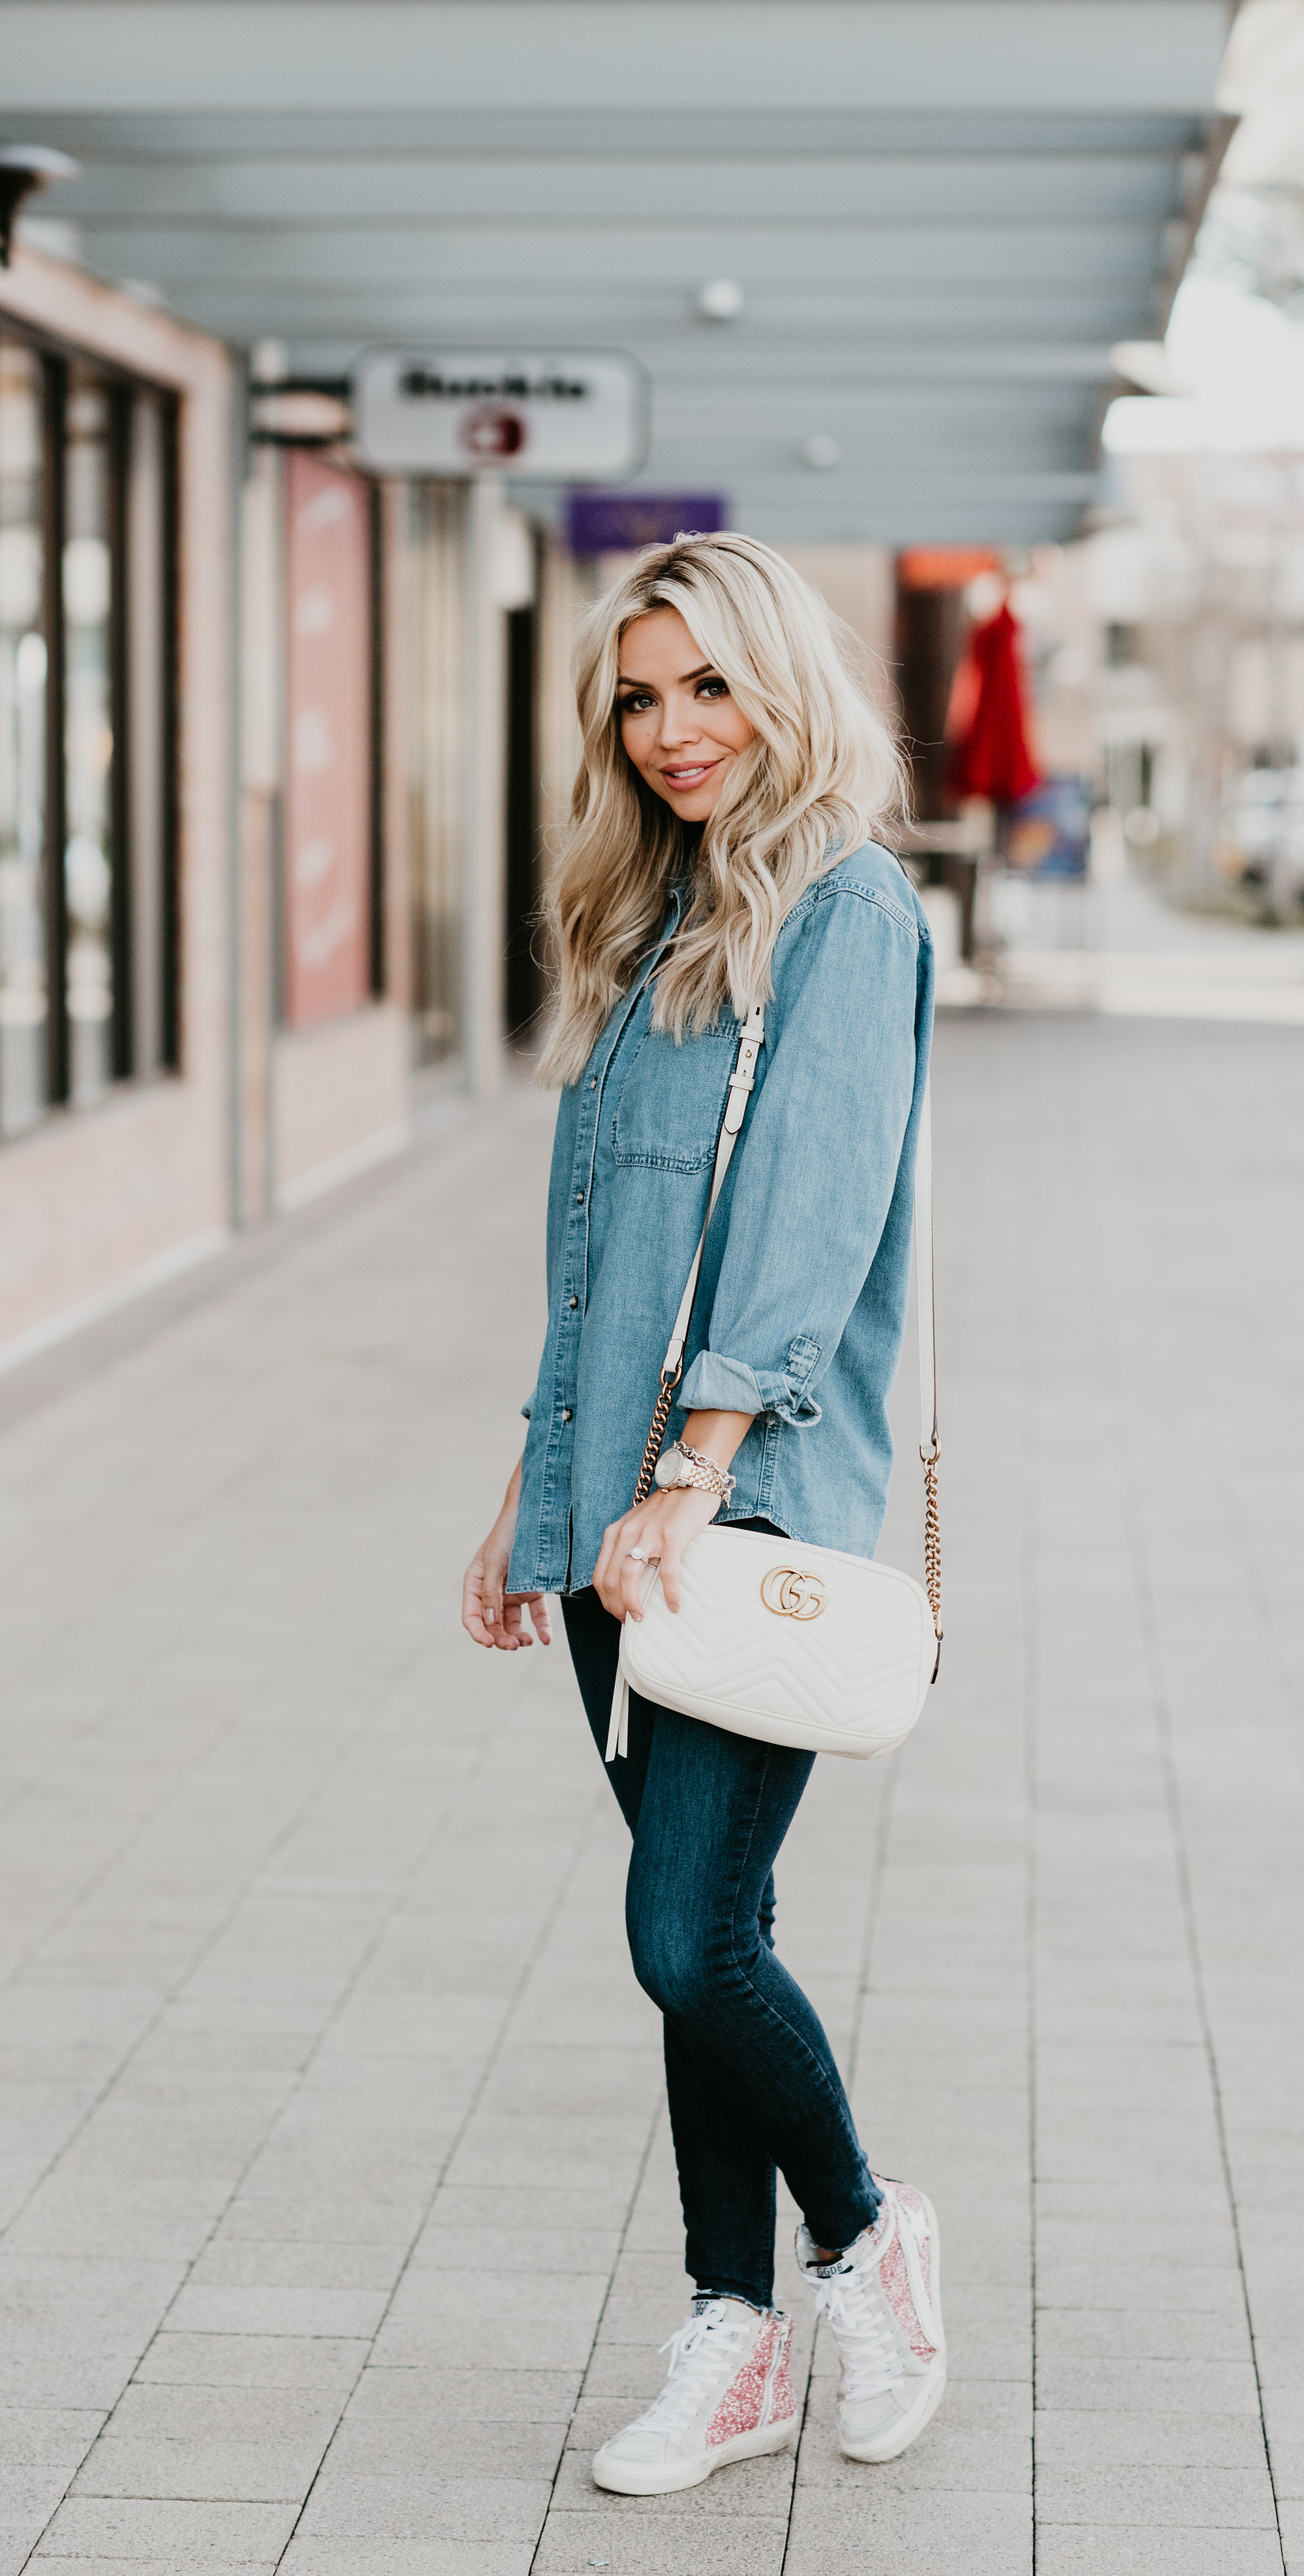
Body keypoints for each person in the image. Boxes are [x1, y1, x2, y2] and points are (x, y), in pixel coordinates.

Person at [461, 534, 943, 2494]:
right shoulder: (651, 913)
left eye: (706, 690)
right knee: (714, 1928)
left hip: (735, 1513)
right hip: (611, 1512)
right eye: (638, 700)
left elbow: (805, 1228)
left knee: (681, 1941)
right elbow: (605, 1259)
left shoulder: (846, 909)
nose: (671, 733)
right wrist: (533, 1479)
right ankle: (731, 2343)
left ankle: (866, 2235)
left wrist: (688, 1473)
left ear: (780, 687)